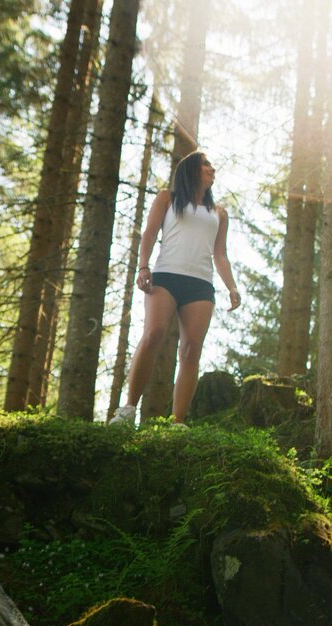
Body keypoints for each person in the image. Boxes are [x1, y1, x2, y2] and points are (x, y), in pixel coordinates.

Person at [109, 151, 241, 426]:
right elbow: (149, 234)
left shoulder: (219, 213)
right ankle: (128, 409)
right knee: (153, 333)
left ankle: (178, 421)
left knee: (192, 349)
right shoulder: (166, 199)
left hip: (201, 285)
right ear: (191, 169)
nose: (212, 169)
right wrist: (143, 267)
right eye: (207, 164)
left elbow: (220, 254)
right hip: (166, 277)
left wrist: (232, 287)